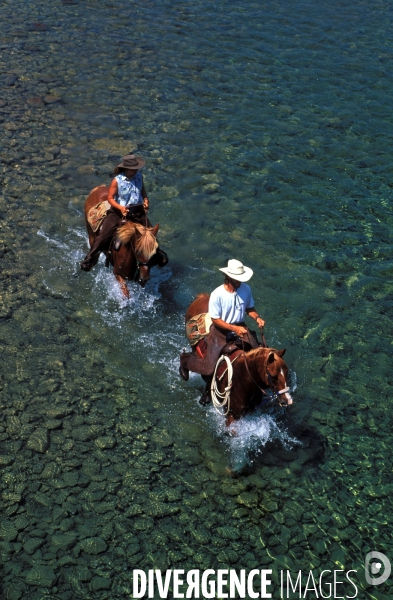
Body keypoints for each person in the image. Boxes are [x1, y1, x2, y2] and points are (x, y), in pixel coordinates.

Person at [179, 259, 265, 404]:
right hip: (220, 331)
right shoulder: (217, 294)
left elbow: (249, 308)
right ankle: (186, 362)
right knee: (210, 366)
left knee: (259, 355)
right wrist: (234, 328)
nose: (240, 282)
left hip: (240, 326)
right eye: (237, 279)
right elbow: (215, 319)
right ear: (229, 277)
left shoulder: (246, 289)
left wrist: (257, 318)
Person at [81, 154, 150, 271]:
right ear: (127, 168)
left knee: (151, 234)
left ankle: (157, 255)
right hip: (119, 212)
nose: (136, 170)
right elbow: (110, 198)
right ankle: (90, 257)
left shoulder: (139, 177)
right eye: (134, 168)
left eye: (136, 168)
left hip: (137, 211)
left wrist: (146, 200)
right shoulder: (117, 181)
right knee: (104, 234)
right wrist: (121, 208)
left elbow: (142, 191)